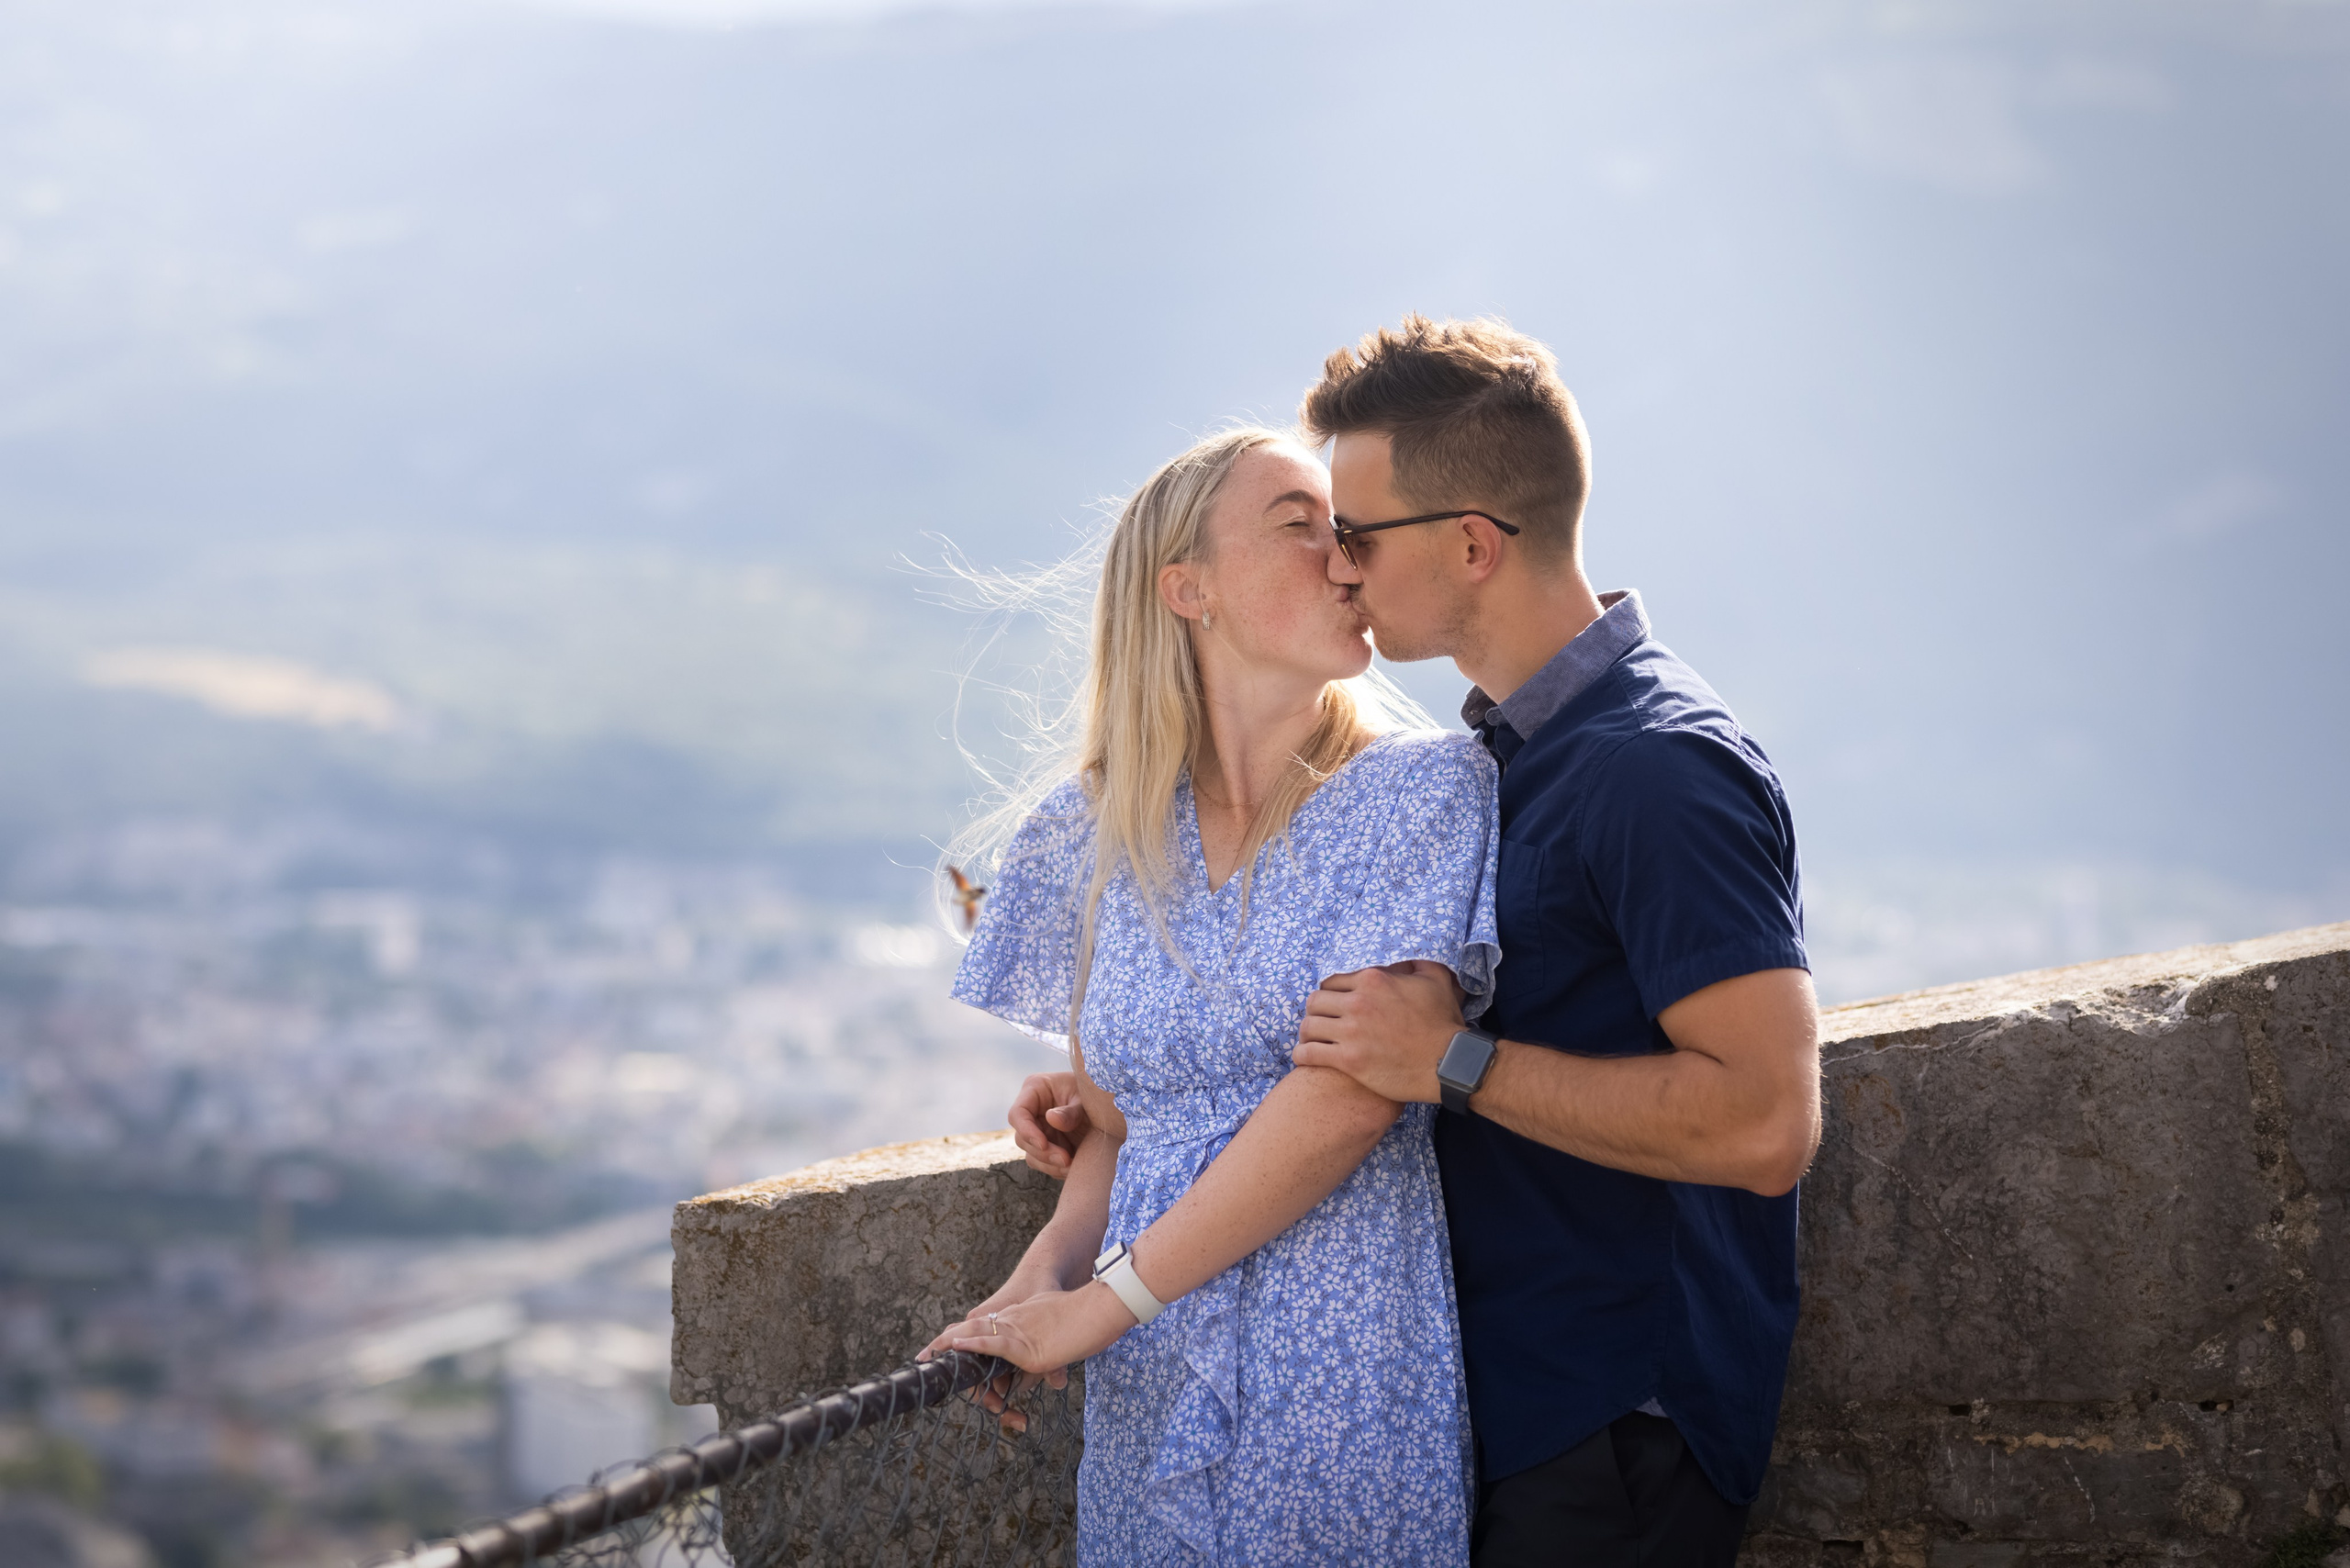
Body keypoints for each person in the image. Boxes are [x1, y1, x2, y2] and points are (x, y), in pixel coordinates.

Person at [1012, 317, 1822, 1568]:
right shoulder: (1510, 756)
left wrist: (1453, 1062)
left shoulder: (1656, 769)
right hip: (1513, 1398)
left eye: (1356, 530)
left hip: (1619, 1415)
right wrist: (1134, 1084)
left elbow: (1768, 1125)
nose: (1341, 559)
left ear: (1473, 545)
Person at [924, 426, 1502, 1566]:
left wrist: (1095, 1309)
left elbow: (1350, 1098)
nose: (1347, 560)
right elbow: (1117, 1122)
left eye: (1345, 533)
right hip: (1147, 1378)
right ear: (1184, 588)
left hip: (1337, 1364)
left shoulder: (1421, 790)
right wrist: (1035, 1284)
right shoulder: (1087, 833)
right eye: (1300, 528)